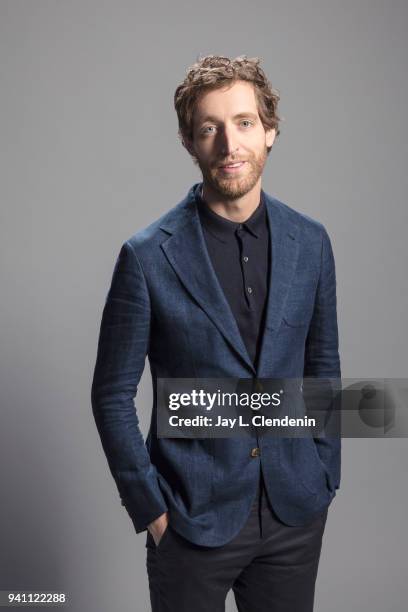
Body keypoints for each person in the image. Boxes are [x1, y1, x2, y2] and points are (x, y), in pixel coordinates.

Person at [91, 54, 341, 612]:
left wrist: (325, 474)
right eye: (210, 129)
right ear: (190, 142)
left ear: (270, 131)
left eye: (245, 123)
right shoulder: (147, 256)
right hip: (188, 520)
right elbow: (111, 394)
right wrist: (152, 511)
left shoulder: (311, 242)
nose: (230, 145)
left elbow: (323, 365)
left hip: (294, 515)